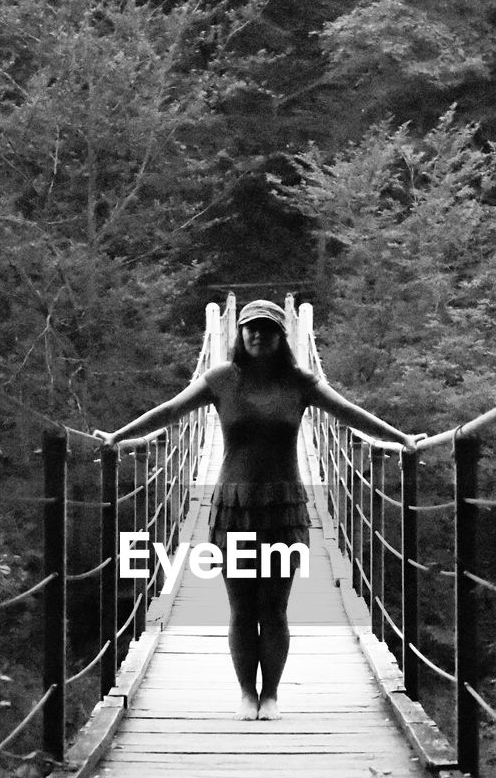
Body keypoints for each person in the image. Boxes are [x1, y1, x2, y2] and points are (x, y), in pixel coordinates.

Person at [96, 300, 417, 720]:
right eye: (251, 328)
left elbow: (350, 415)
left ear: (281, 336)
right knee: (242, 607)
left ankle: (272, 695)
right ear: (240, 333)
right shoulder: (220, 380)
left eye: (267, 329)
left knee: (275, 607)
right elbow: (171, 412)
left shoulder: (301, 383)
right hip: (234, 507)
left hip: (283, 508)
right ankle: (248, 692)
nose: (258, 335)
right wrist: (118, 437)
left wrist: (402, 439)